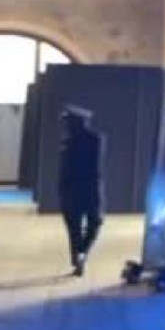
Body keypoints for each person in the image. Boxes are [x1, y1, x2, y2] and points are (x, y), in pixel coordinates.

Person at [58, 105, 104, 277]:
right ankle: (80, 254)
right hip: (88, 189)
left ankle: (79, 254)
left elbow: (67, 169)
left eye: (69, 122)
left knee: (78, 227)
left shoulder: (75, 142)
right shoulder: (93, 140)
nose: (67, 126)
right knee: (88, 224)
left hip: (77, 189)